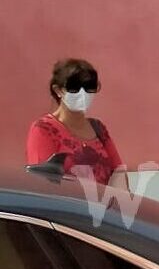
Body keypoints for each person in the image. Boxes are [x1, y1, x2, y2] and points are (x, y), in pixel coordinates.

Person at [25, 58, 127, 189]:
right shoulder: (44, 130)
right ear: (58, 90)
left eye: (89, 88)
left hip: (103, 206)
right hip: (68, 206)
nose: (82, 94)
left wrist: (116, 201)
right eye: (74, 88)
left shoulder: (98, 128)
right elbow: (43, 182)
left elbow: (118, 171)